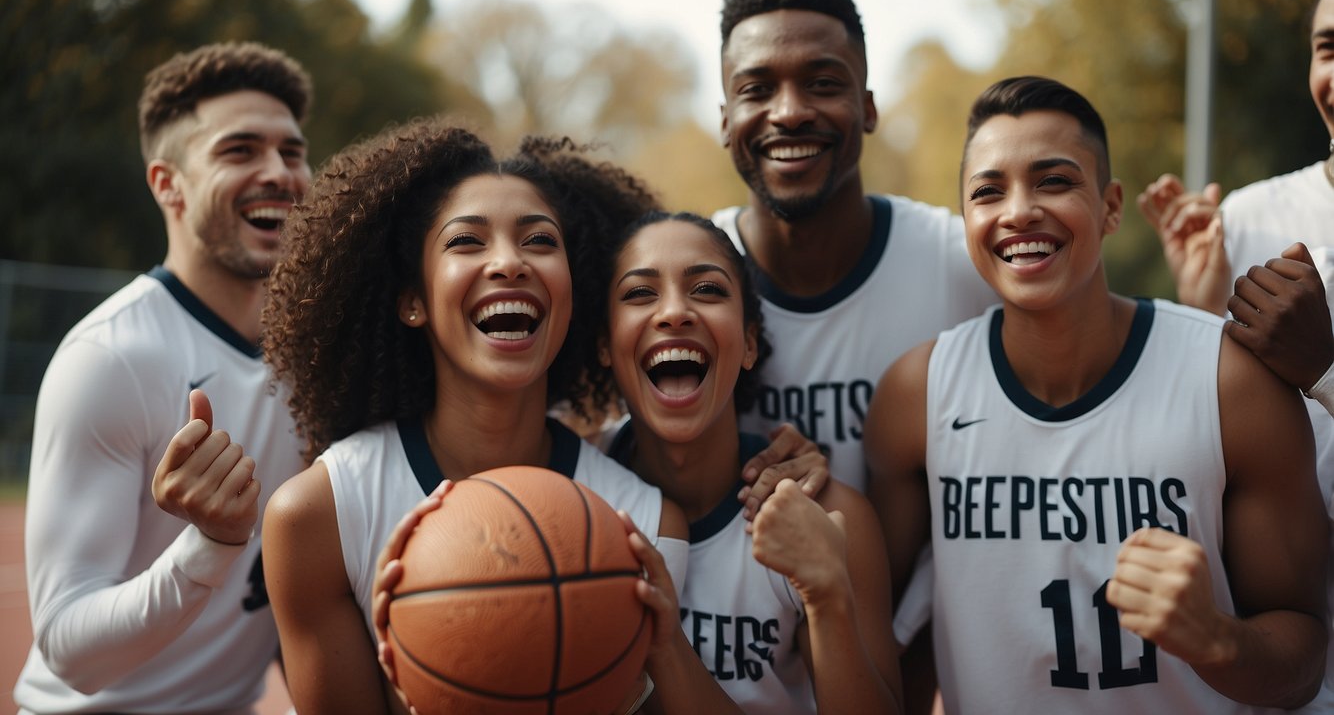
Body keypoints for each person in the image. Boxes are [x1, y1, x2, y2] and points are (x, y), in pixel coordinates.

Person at [869, 75, 1328, 712]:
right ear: (968, 221)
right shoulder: (914, 395)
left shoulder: (1231, 383)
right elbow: (893, 632)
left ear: (1111, 207)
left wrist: (1218, 640)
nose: (1019, 210)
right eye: (987, 192)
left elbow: (1306, 653)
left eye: (1054, 181)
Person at [259, 118, 700, 714]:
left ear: (576, 291)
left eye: (540, 241)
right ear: (412, 301)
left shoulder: (647, 523)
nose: (509, 263)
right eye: (467, 241)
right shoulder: (319, 516)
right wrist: (418, 678)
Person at [708, 0, 996, 709]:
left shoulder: (961, 263)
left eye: (823, 82)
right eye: (756, 88)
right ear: (724, 117)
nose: (789, 111)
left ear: (867, 108)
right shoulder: (677, 287)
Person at [15, 42, 311, 713]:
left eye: (292, 152)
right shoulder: (112, 357)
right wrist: (211, 545)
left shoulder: (321, 357)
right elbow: (70, 651)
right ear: (167, 184)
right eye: (240, 151)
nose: (280, 173)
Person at [598, 211, 903, 713]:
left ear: (750, 344)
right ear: (605, 346)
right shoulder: (571, 491)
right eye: (639, 293)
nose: (674, 312)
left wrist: (828, 599)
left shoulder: (826, 516)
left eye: (708, 290)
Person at [1136, 0, 1334, 710]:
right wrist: (1196, 309)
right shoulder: (1248, 220)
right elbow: (1190, 441)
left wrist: (1324, 371)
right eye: (1327, 47)